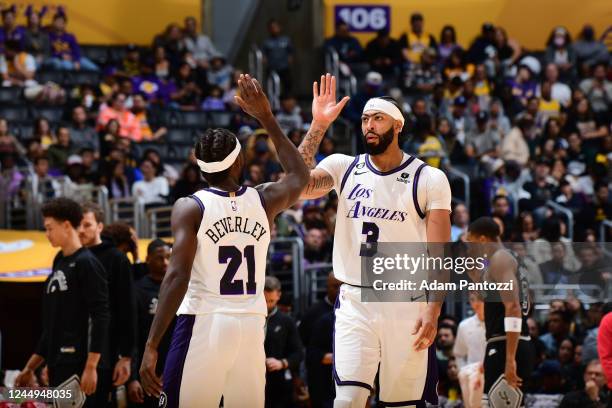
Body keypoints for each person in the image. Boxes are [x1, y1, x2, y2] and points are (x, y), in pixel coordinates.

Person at [138, 74, 309, 407]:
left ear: (200, 168)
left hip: (205, 322)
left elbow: (176, 276)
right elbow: (300, 176)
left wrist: (152, 344)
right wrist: (266, 118)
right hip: (250, 324)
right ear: (240, 160)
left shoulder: (190, 206)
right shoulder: (264, 199)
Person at [297, 74, 451, 406]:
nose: (369, 125)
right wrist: (318, 125)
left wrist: (434, 308)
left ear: (397, 126)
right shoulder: (344, 167)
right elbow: (294, 186)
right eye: (365, 119)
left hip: (406, 301)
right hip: (355, 300)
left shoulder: (429, 178)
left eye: (377, 118)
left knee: (401, 404)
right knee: (348, 400)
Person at [14, 198, 110, 405]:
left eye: (49, 228)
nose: (46, 234)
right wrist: (30, 368)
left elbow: (101, 315)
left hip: (80, 364)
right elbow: (51, 326)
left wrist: (92, 366)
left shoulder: (88, 263)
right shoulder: (60, 262)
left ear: (66, 225)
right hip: (57, 363)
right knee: (15, 397)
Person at [466, 217, 535, 408]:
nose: (469, 248)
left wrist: (510, 359)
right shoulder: (501, 259)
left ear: (481, 240)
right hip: (505, 342)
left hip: (508, 343)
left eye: (470, 242)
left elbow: (513, 307)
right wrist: (474, 275)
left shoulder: (501, 259)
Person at [79, 202, 137, 403]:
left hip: (104, 352)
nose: (81, 230)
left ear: (100, 227)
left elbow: (126, 310)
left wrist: (126, 356)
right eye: (78, 225)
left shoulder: (116, 258)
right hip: (71, 355)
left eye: (87, 225)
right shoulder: (68, 257)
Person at [128, 239, 174, 408]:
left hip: (174, 368)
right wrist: (132, 378)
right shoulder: (137, 290)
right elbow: (131, 335)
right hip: (147, 371)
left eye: (169, 257)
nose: (165, 262)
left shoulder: (181, 288)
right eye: (159, 258)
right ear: (148, 259)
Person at [263, 276, 304, 408]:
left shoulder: (286, 321)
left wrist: (281, 363)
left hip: (278, 383)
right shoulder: (250, 320)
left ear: (279, 295)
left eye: (271, 300)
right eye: (264, 300)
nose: (268, 304)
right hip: (252, 381)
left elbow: (298, 353)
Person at [453, 292, 486, 408]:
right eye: (472, 299)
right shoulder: (464, 326)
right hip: (472, 375)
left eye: (480, 299)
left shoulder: (498, 324)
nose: (476, 303)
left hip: (493, 374)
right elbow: (459, 354)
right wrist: (463, 371)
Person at [262, 19, 294, 92]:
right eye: (272, 28)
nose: (274, 29)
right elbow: (264, 56)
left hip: (284, 68)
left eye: (276, 27)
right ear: (269, 29)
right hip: (272, 69)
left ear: (279, 27)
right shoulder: (267, 42)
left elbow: (291, 53)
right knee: (272, 88)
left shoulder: (286, 40)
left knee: (287, 86)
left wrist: (289, 62)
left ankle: (286, 100)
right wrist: (266, 62)